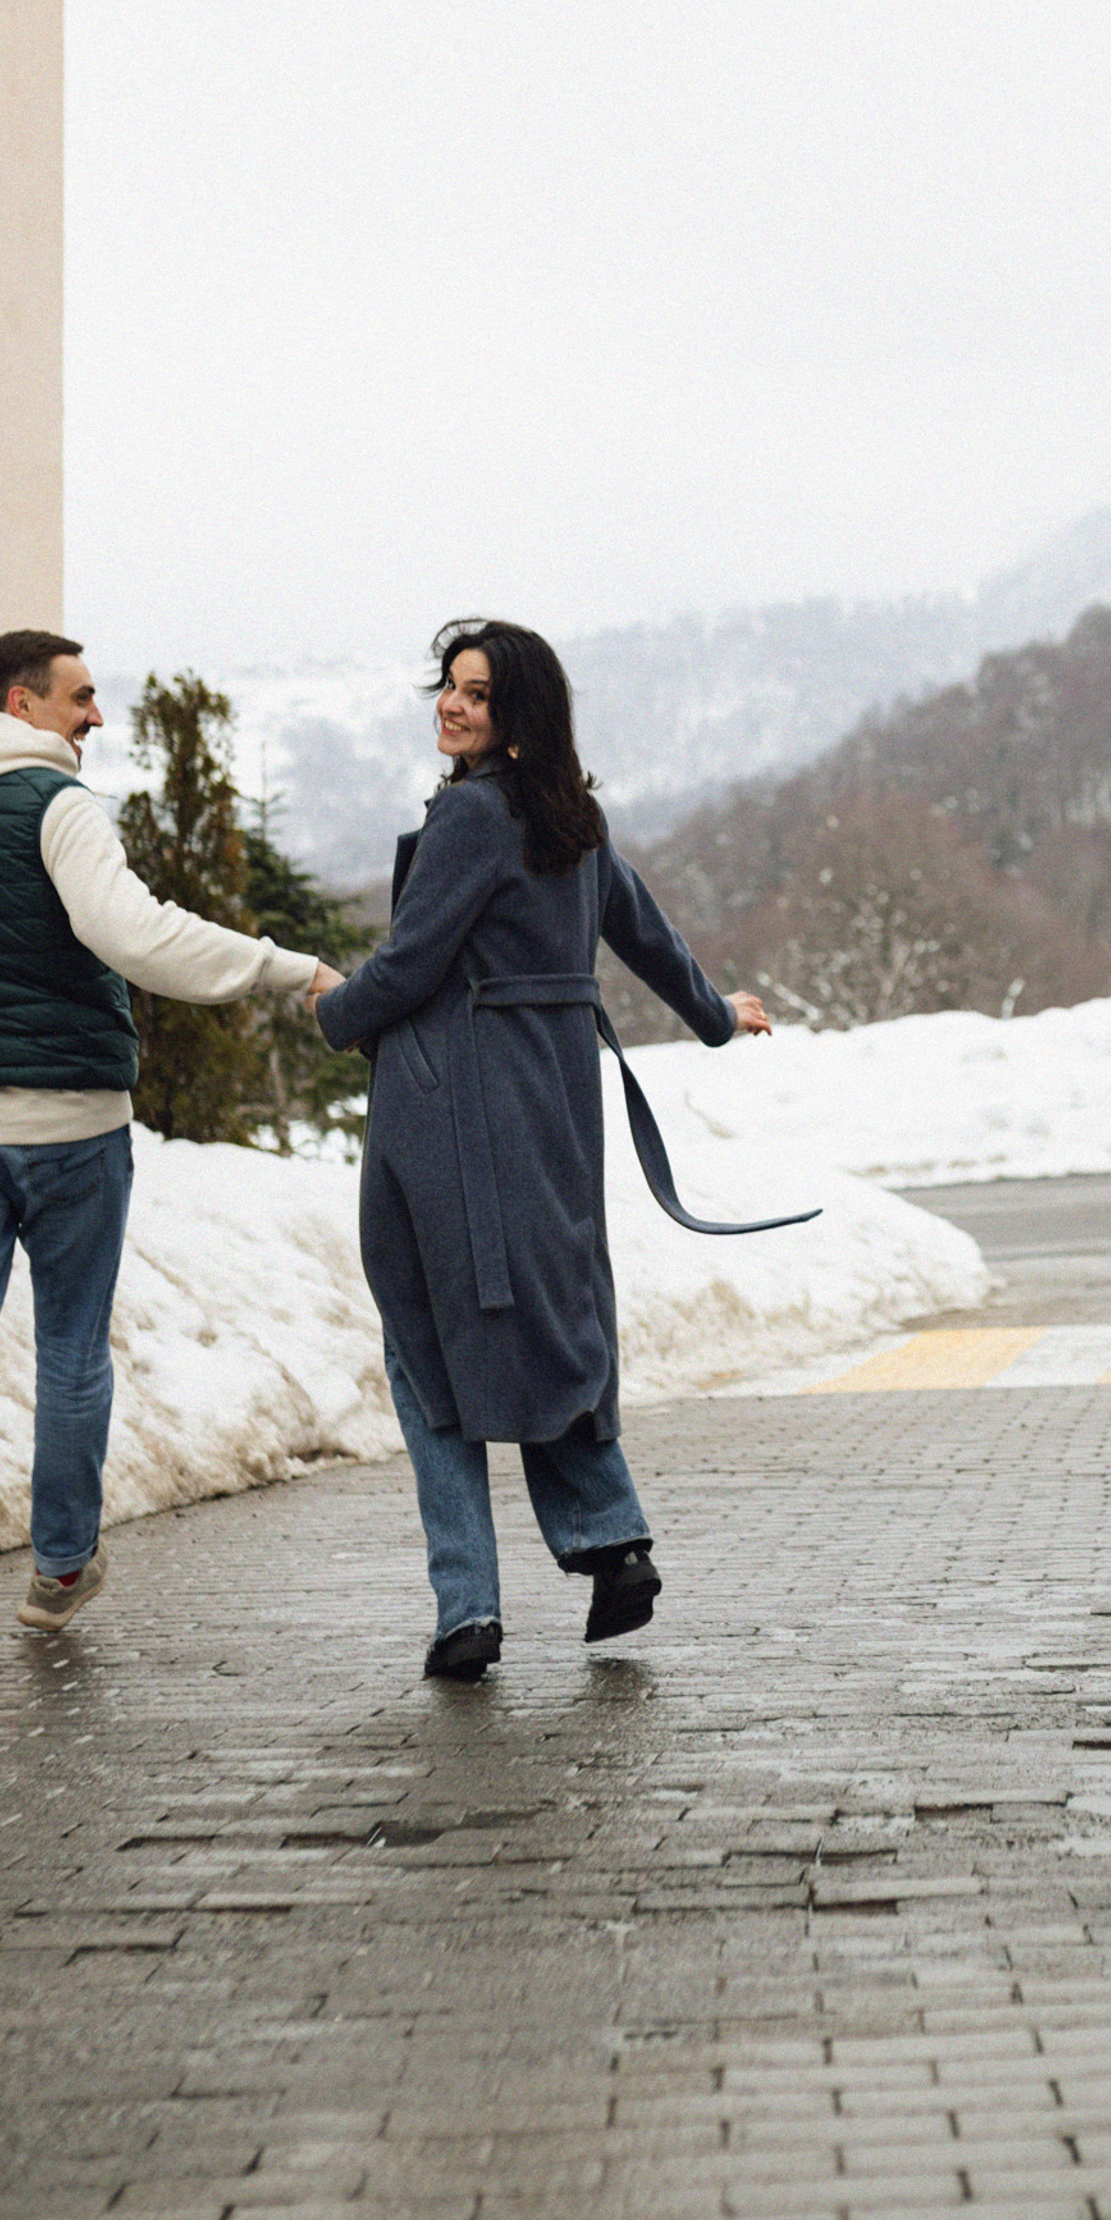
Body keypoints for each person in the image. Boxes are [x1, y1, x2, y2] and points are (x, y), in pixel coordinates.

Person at [312, 617, 773, 1681]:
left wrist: (335, 1009)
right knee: (544, 1316)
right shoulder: (575, 819)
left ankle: (467, 1608)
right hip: (554, 1105)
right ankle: (612, 1544)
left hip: (450, 1103)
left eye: (477, 692)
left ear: (520, 716)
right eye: (448, 686)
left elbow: (411, 961)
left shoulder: (471, 819)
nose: (453, 705)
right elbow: (646, 936)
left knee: (429, 1344)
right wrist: (713, 1014)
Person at [0, 630, 335, 1679]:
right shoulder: (57, 806)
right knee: (73, 1346)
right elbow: (137, 936)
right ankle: (63, 1568)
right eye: (80, 697)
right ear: (20, 701)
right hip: (67, 1126)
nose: (94, 717)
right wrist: (285, 967)